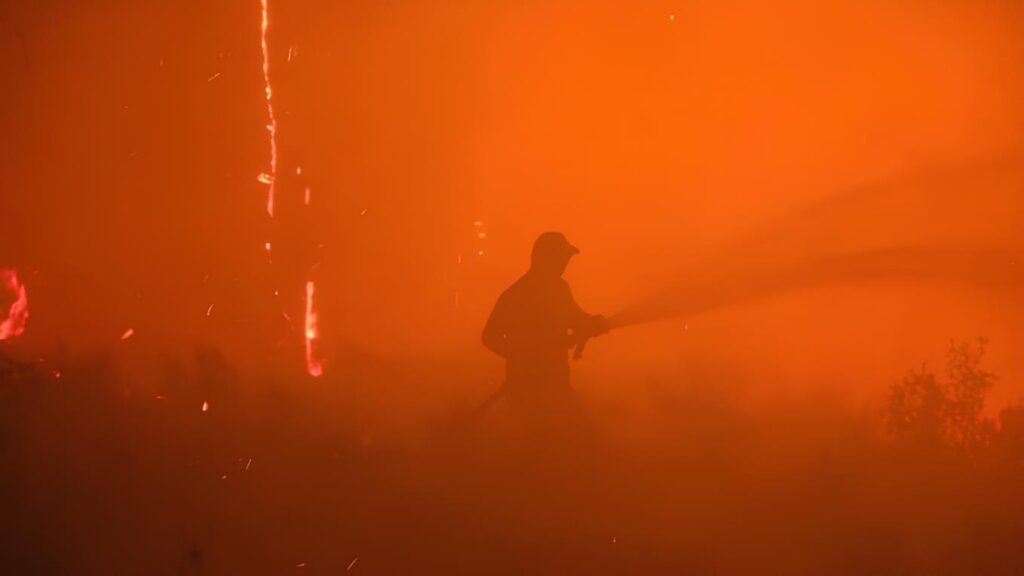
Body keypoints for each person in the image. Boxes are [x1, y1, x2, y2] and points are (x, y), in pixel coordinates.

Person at [481, 232, 609, 421]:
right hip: (525, 392)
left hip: (557, 385)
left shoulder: (560, 289)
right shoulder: (516, 296)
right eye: (560, 259)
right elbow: (489, 336)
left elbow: (575, 317)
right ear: (545, 259)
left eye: (565, 260)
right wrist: (525, 356)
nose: (564, 265)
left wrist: (593, 322)